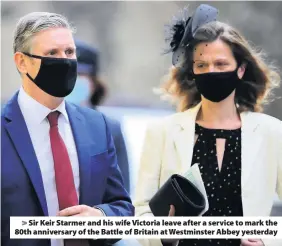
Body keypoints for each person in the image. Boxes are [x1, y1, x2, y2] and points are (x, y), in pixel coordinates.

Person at [134, 4, 282, 246]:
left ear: (241, 69)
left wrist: (266, 241)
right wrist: (163, 235)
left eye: (221, 64)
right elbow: (141, 211)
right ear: (192, 71)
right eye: (202, 65)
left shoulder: (272, 133)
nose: (211, 71)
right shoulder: (162, 132)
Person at [1, 12, 134, 246]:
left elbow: (122, 207)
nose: (64, 61)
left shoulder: (97, 126)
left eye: (69, 52)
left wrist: (101, 217)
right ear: (22, 62)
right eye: (52, 53)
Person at [66, 40, 130, 194]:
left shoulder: (109, 128)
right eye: (69, 73)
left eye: (80, 74)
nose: (74, 80)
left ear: (93, 82)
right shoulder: (45, 121)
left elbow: (121, 193)